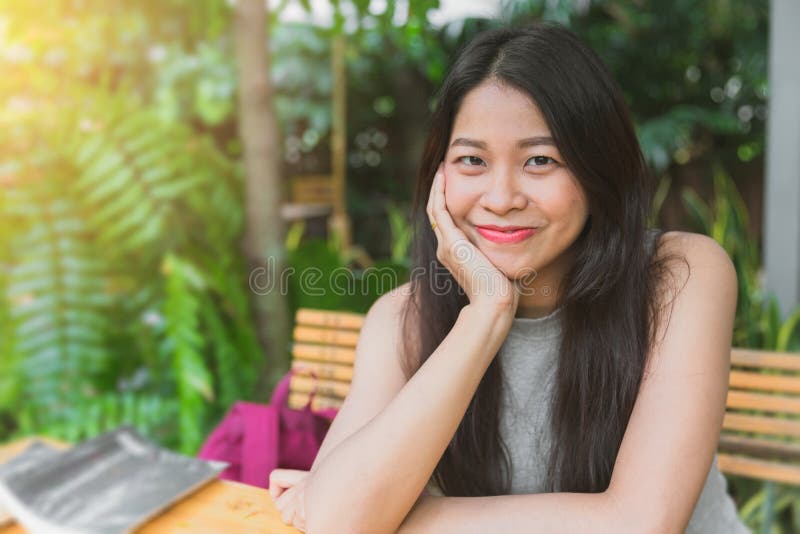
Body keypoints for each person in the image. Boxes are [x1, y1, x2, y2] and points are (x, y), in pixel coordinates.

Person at [269, 23, 746, 533]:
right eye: (472, 160)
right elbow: (337, 522)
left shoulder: (681, 276)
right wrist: (487, 314)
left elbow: (638, 525)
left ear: (596, 168)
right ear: (439, 175)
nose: (501, 198)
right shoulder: (400, 319)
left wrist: (400, 517)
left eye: (539, 160)